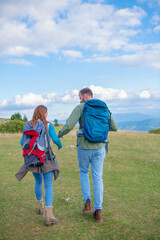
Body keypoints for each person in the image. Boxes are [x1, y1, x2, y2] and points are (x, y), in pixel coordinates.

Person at [58, 87, 118, 222]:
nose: (79, 100)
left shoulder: (81, 107)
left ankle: (87, 204)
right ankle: (98, 211)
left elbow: (68, 125)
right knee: (98, 178)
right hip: (100, 148)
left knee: (84, 173)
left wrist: (59, 135)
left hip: (84, 147)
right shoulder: (103, 107)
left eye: (79, 97)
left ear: (85, 96)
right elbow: (114, 127)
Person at [15, 105, 62, 225]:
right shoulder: (48, 124)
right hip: (45, 157)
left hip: (32, 158)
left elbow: (22, 142)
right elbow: (55, 139)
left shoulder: (29, 124)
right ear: (44, 113)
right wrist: (60, 145)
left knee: (38, 182)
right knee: (48, 185)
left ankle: (40, 206)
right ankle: (49, 215)